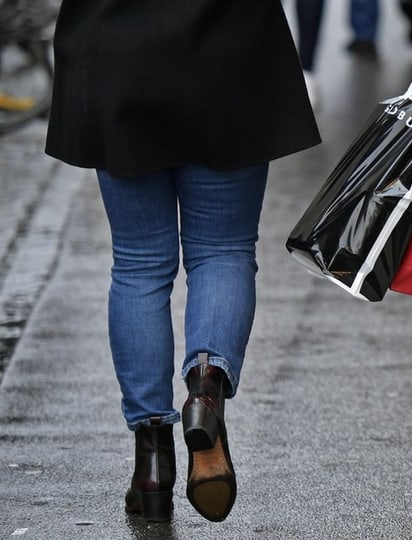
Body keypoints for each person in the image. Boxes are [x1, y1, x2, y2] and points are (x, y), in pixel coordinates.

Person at [44, 0, 321, 524]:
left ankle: (152, 465)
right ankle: (206, 388)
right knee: (223, 249)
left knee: (139, 265)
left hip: (118, 47)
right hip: (228, 48)